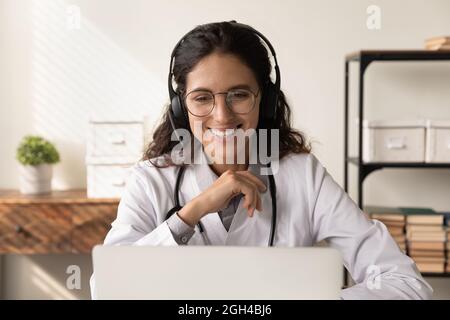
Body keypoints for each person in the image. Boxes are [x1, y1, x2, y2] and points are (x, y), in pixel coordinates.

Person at [90, 21, 432, 299]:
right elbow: (108, 290)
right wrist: (190, 214)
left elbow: (406, 285)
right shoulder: (152, 179)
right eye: (202, 97)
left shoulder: (302, 176)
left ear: (265, 101)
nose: (221, 116)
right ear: (181, 107)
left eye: (239, 95)